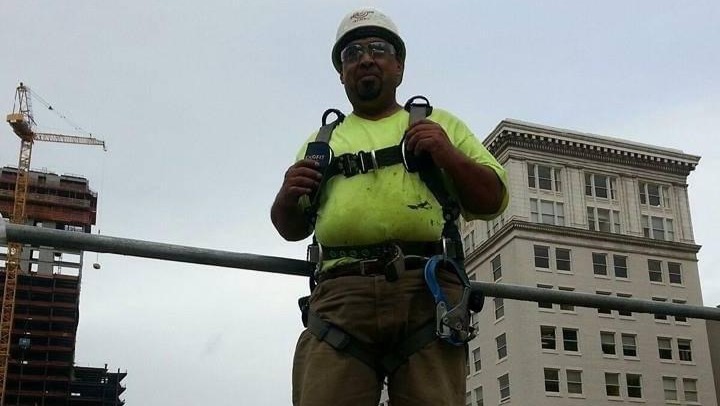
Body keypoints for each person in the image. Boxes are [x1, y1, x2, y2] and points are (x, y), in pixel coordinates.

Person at [271, 8, 509, 406]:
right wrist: (285, 196)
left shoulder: (439, 124)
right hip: (340, 298)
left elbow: (493, 200)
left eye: (378, 49)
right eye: (352, 53)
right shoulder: (320, 143)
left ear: (399, 66)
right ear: (341, 74)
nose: (365, 58)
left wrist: (447, 154)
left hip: (426, 291)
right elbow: (290, 228)